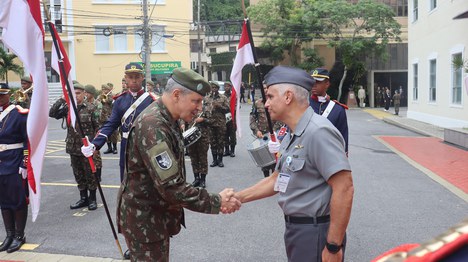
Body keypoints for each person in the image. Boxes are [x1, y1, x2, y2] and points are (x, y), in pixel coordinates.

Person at [116, 67, 241, 261]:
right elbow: (172, 187)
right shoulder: (154, 126)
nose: (200, 107)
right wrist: (217, 201)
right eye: (196, 101)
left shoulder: (168, 118)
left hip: (153, 217)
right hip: (145, 221)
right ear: (176, 95)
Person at [233, 66, 354, 262]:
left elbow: (344, 188)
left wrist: (333, 246)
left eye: (271, 97)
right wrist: (238, 197)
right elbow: (278, 179)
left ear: (288, 96)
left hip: (315, 234)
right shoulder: (293, 133)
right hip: (298, 231)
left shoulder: (318, 132)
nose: (266, 103)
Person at [81, 63, 157, 182]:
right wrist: (95, 144)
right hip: (126, 146)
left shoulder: (152, 100)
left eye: (137, 77)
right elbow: (111, 124)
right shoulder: (120, 100)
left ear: (142, 77)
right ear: (126, 78)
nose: (134, 80)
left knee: (148, 179)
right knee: (126, 179)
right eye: (130, 77)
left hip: (147, 145)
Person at [50, 83, 101, 210]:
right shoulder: (68, 108)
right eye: (73, 93)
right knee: (78, 174)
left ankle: (92, 199)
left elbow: (98, 129)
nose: (76, 96)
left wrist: (94, 147)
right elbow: (52, 113)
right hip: (73, 147)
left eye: (78, 93)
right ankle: (83, 198)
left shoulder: (91, 108)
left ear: (84, 93)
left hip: (87, 149)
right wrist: (62, 98)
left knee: (90, 175)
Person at [0, 83, 29, 253]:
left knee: (17, 200)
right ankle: (9, 235)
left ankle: (19, 235)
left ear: (8, 95)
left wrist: (24, 162)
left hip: (14, 162)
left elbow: (27, 139)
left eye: (1, 95)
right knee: (3, 201)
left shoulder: (19, 114)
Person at [309, 68, 350, 155]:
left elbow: (343, 137)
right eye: (312, 81)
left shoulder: (337, 109)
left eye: (318, 82)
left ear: (327, 84)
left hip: (329, 157)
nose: (314, 85)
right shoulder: (303, 105)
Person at [249, 84, 283, 177]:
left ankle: (275, 177)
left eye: (267, 88)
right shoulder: (257, 103)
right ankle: (266, 178)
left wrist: (274, 131)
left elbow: (281, 118)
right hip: (262, 136)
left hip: (274, 135)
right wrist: (256, 130)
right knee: (264, 160)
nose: (265, 90)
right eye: (263, 88)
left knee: (275, 159)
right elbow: (252, 118)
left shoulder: (277, 102)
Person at [187, 97, 211, 188]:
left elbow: (213, 121)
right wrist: (182, 123)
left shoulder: (206, 107)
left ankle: (203, 179)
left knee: (202, 158)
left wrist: (203, 120)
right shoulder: (189, 106)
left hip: (203, 137)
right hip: (191, 137)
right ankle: (196, 178)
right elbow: (183, 116)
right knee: (193, 157)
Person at [205, 81, 229, 168]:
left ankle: (220, 160)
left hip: (220, 123)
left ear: (218, 89)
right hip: (210, 123)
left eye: (215, 88)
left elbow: (228, 109)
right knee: (213, 142)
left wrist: (219, 106)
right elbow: (204, 109)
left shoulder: (223, 98)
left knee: (220, 142)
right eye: (212, 88)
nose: (213, 89)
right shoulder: (207, 98)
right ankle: (214, 160)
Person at [99, 84, 118, 154]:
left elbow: (110, 102)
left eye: (105, 89)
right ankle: (109, 147)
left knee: (114, 134)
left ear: (108, 90)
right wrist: (103, 96)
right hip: (104, 117)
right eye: (103, 89)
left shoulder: (112, 96)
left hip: (111, 117)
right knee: (107, 134)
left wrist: (107, 96)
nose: (104, 91)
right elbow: (101, 101)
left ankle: (115, 148)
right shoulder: (102, 96)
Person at [222, 82, 237, 157]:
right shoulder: (221, 96)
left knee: (232, 135)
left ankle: (232, 151)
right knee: (225, 135)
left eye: (228, 86)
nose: (226, 88)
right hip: (224, 118)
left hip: (232, 119)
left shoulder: (234, 96)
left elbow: (237, 107)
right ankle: (226, 150)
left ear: (231, 87)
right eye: (225, 86)